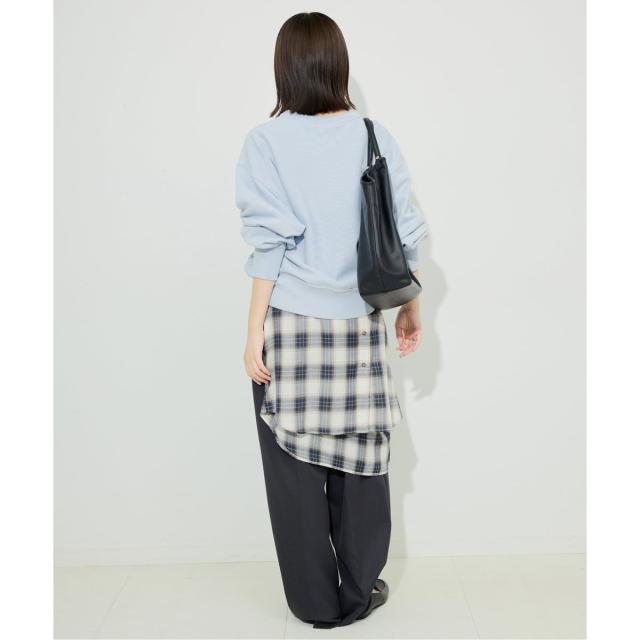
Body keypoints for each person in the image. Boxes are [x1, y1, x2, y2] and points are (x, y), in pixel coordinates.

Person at [235, 11, 429, 629]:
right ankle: (358, 591)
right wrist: (411, 307)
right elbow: (406, 232)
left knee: (293, 472)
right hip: (359, 326)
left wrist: (253, 331)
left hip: (291, 325)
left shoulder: (264, 143)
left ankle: (313, 603)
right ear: (339, 64)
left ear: (285, 68)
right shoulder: (373, 135)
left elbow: (269, 244)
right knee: (362, 461)